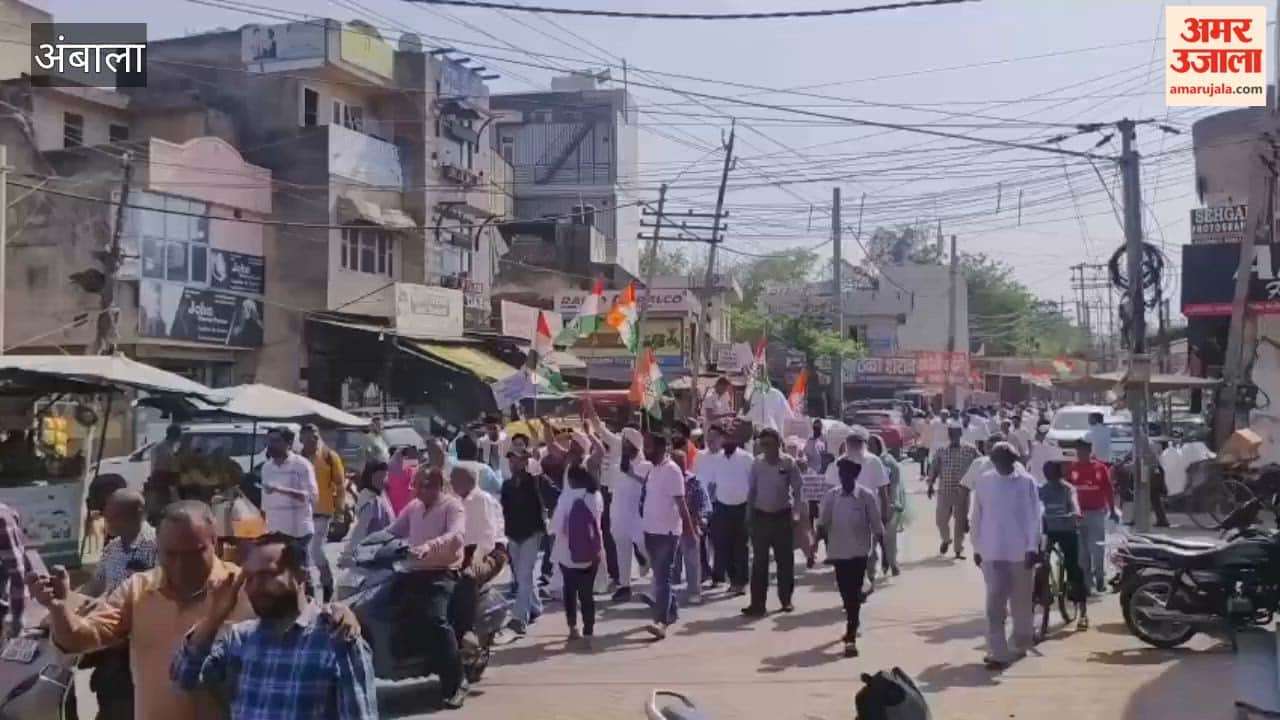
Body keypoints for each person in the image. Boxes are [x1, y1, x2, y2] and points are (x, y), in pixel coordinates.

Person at [29, 501, 359, 720]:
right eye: (170, 554)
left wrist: (341, 612)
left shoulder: (243, 585)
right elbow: (80, 639)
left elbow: (302, 615)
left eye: (193, 552)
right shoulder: (137, 590)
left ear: (213, 543)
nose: (180, 564)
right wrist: (57, 608)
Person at [171, 533, 377, 720]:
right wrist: (215, 617)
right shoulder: (241, 639)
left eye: (267, 575)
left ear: (300, 576)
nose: (255, 587)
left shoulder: (337, 637)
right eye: (249, 579)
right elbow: (184, 676)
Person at [383, 467, 468, 709]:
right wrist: (364, 545)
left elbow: (457, 534)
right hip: (411, 572)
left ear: (438, 485)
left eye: (425, 485)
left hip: (441, 574)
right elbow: (391, 531)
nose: (419, 490)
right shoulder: (414, 507)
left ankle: (456, 683)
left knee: (435, 620)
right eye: (416, 485)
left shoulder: (452, 506)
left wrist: (431, 545)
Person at [77, 490, 154, 720]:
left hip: (143, 638)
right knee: (106, 688)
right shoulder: (113, 548)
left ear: (136, 514)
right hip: (113, 634)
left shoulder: (158, 545)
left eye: (114, 517)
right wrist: (65, 605)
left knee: (129, 699)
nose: (107, 522)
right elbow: (95, 585)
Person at [969, 443, 1042, 670]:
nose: (1002, 464)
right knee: (994, 605)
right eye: (997, 460)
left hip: (1020, 552)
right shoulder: (984, 481)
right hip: (991, 551)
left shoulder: (1026, 482)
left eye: (1006, 460)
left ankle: (1020, 643)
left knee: (1021, 603)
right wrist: (977, 548)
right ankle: (997, 652)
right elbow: (977, 516)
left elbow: (1034, 517)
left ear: (1013, 461)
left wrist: (1032, 547)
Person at [816, 458, 884, 658]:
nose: (843, 478)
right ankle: (852, 618)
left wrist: (885, 555)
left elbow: (876, 525)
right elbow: (822, 523)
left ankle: (851, 636)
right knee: (845, 593)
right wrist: (813, 544)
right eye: (841, 474)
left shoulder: (865, 496)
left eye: (847, 474)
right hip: (838, 552)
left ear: (854, 475)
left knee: (853, 593)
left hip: (859, 552)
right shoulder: (832, 496)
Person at [640, 434, 698, 640]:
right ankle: (671, 610)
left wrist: (690, 534)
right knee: (659, 577)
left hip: (667, 533)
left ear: (662, 448)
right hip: (650, 531)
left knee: (662, 579)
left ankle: (661, 622)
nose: (646, 451)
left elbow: (682, 505)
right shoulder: (652, 470)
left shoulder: (672, 471)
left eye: (649, 447)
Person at [743, 428, 803, 617]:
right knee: (759, 563)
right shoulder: (757, 464)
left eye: (769, 444)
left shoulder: (788, 463)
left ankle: (786, 600)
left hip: (782, 517)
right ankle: (757, 604)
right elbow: (752, 492)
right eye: (763, 445)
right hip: (761, 517)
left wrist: (796, 513)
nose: (766, 448)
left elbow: (798, 491)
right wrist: (749, 516)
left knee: (785, 561)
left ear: (778, 444)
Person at [550, 463, 604, 646]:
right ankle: (589, 633)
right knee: (587, 594)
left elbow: (555, 527)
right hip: (592, 553)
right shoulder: (595, 496)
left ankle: (573, 627)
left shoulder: (565, 498)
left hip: (567, 555)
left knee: (570, 590)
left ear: (570, 480)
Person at [260, 427, 319, 596]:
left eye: (276, 441)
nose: (271, 445)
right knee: (280, 574)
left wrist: (281, 490)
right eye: (269, 441)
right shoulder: (266, 468)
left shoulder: (301, 465)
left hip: (298, 529)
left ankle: (311, 606)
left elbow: (312, 497)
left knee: (301, 573)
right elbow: (265, 499)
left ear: (288, 443)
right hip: (275, 528)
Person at [826, 430, 890, 583]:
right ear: (847, 446)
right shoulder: (839, 463)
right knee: (846, 548)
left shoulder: (874, 461)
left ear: (862, 445)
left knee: (869, 547)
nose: (854, 448)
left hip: (869, 511)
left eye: (857, 444)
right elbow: (830, 491)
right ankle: (855, 582)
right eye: (851, 445)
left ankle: (867, 578)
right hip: (844, 512)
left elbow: (882, 489)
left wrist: (885, 511)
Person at [699, 424, 753, 595]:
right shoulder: (717, 459)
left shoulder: (746, 458)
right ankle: (733, 580)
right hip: (721, 507)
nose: (727, 441)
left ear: (736, 440)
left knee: (741, 546)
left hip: (742, 507)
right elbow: (712, 485)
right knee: (724, 546)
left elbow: (753, 484)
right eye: (725, 437)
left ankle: (742, 581)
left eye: (731, 437)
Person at [501, 452, 551, 634]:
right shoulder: (507, 485)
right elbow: (503, 511)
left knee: (525, 572)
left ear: (525, 462)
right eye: (511, 460)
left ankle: (519, 617)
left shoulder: (534, 482)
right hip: (513, 534)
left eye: (517, 459)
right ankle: (535, 606)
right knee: (523, 575)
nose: (513, 463)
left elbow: (549, 494)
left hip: (531, 532)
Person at [300, 423, 346, 602]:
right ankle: (308, 586)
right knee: (304, 551)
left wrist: (340, 510)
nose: (311, 441)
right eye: (307, 437)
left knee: (315, 549)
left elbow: (341, 485)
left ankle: (327, 582)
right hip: (303, 511)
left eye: (314, 436)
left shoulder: (329, 456)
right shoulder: (299, 458)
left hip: (323, 510)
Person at [1039, 461, 1088, 630]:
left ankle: (1082, 612)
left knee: (1073, 567)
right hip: (1048, 532)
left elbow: (1074, 503)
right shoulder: (1041, 490)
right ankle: (1039, 593)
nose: (1051, 477)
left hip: (1067, 530)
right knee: (1038, 562)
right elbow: (1035, 507)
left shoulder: (1068, 489)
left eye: (1054, 473)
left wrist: (1075, 513)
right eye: (1048, 474)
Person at [1066, 440, 1118, 594]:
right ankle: (1086, 583)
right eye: (1078, 452)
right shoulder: (1072, 469)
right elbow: (1067, 491)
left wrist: (1112, 510)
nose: (1081, 454)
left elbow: (1108, 489)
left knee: (1097, 548)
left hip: (1096, 513)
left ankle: (1100, 578)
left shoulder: (1100, 468)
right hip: (1078, 515)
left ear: (1089, 452)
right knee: (1082, 552)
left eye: (1083, 451)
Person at [337, 462, 394, 597]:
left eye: (384, 476)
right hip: (367, 556)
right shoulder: (370, 501)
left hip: (381, 553)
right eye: (378, 477)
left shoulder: (381, 495)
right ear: (369, 477)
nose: (382, 480)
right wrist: (348, 554)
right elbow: (360, 530)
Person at [928, 424, 981, 560]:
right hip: (944, 489)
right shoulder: (941, 450)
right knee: (941, 520)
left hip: (962, 491)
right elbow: (934, 467)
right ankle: (946, 540)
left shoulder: (970, 450)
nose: (954, 437)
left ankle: (958, 550)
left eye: (956, 434)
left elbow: (982, 464)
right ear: (949, 435)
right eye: (951, 434)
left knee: (960, 521)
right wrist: (930, 485)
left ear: (961, 434)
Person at [671, 449, 710, 605]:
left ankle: (694, 591)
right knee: (667, 561)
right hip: (668, 524)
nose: (678, 465)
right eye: (675, 461)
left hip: (690, 524)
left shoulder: (694, 481)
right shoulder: (664, 478)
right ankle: (666, 592)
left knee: (692, 560)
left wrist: (703, 518)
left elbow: (704, 502)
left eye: (681, 462)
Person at [867, 435, 903, 577]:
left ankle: (893, 564)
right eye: (868, 445)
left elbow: (894, 486)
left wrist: (889, 505)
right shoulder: (866, 462)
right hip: (870, 506)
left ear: (879, 446)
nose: (870, 448)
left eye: (872, 445)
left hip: (889, 506)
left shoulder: (889, 463)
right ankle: (871, 571)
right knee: (871, 541)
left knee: (889, 539)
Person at [146, 424, 183, 519]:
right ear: (175, 435)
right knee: (163, 505)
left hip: (162, 479)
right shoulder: (164, 448)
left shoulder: (164, 447)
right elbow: (167, 466)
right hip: (163, 479)